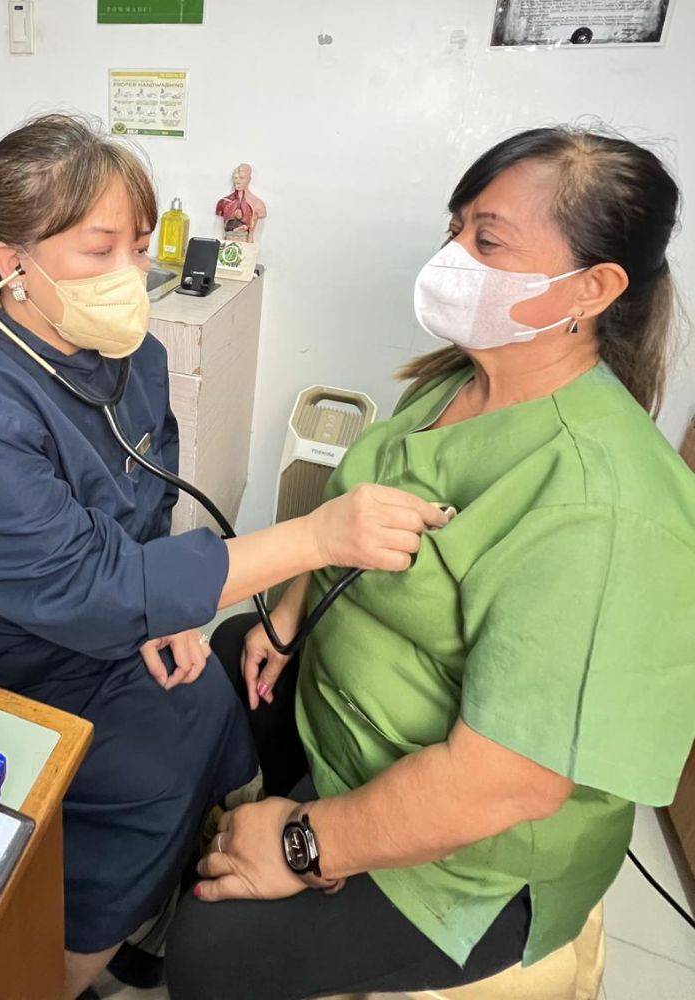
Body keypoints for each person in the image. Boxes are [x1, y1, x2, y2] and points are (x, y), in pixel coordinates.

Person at [0, 113, 446, 998]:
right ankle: (56, 969)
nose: (131, 274)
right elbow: (93, 585)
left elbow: (144, 499)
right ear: (14, 263)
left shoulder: (132, 355)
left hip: (86, 619)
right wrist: (314, 538)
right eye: (99, 250)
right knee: (150, 773)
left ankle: (148, 896)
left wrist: (168, 613)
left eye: (138, 245)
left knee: (205, 701)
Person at [166, 126, 695, 999]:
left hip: (474, 850)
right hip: (352, 721)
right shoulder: (458, 382)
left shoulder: (601, 509)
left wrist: (303, 843)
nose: (451, 260)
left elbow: (505, 784)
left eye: (488, 241)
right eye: (455, 231)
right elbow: (357, 504)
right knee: (220, 663)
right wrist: (289, 616)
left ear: (593, 288)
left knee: (213, 948)